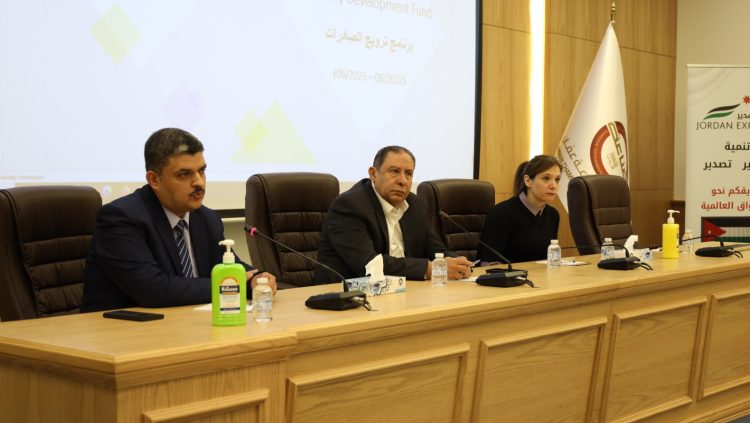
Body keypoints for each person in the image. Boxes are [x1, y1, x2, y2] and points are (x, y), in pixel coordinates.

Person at [81, 128, 276, 312]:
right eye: (185, 174)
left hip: (187, 324)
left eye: (201, 171)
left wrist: (256, 279)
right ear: (154, 180)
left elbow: (231, 268)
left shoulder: (206, 219)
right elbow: (154, 290)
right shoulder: (121, 219)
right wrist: (233, 284)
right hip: (123, 330)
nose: (198, 182)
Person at [315, 146, 472, 284]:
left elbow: (434, 248)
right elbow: (369, 264)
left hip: (406, 291)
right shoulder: (349, 206)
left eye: (408, 173)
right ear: (373, 174)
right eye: (394, 171)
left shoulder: (414, 204)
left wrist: (458, 263)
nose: (403, 181)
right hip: (346, 297)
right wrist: (431, 269)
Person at [477, 155, 561, 263]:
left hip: (541, 273)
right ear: (528, 181)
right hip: (509, 274)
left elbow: (548, 259)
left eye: (557, 179)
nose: (554, 186)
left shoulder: (553, 215)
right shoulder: (502, 213)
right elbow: (488, 263)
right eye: (546, 178)